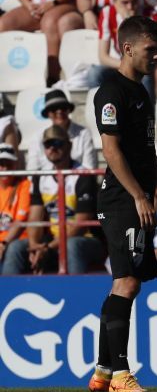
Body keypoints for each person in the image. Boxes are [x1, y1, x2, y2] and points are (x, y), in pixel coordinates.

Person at [87, 15, 157, 392]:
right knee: (127, 282)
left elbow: (146, 152)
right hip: (121, 199)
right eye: (150, 48)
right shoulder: (111, 92)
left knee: (124, 284)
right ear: (127, 48)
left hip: (135, 196)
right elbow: (110, 150)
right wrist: (139, 195)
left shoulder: (141, 92)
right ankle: (121, 374)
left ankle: (102, 371)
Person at [2, 125, 105, 275]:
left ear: (69, 145)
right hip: (51, 241)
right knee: (16, 248)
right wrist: (34, 245)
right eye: (47, 144)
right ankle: (8, 290)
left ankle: (75, 289)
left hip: (86, 240)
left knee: (71, 246)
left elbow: (81, 225)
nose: (52, 148)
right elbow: (35, 219)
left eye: (57, 143)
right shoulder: (41, 177)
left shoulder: (83, 176)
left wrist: (48, 248)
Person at [87, 0, 148, 91]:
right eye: (125, 2)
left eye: (134, 2)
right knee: (94, 73)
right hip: (120, 65)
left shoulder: (150, 14)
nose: (130, 7)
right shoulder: (107, 13)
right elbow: (103, 57)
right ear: (114, 1)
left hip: (143, 65)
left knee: (146, 74)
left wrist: (132, 23)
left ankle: (144, 103)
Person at [26, 89, 97, 171]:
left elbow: (90, 169)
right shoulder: (38, 137)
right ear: (48, 114)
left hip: (79, 179)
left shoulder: (84, 134)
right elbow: (32, 170)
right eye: (54, 108)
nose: (59, 111)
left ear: (68, 110)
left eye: (63, 108)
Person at [0, 143, 30, 273]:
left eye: (9, 164)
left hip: (18, 240)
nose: (5, 168)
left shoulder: (25, 185)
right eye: (1, 164)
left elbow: (20, 221)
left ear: (15, 165)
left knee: (13, 249)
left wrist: (3, 244)